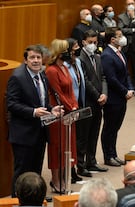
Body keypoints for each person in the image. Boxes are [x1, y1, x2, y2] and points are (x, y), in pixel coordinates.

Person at [7, 45, 63, 196]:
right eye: (32, 57)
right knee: (22, 172)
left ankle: (35, 198)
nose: (36, 60)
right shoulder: (17, 77)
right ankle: (17, 201)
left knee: (36, 169)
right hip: (23, 134)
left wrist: (51, 110)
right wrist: (33, 112)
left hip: (40, 132)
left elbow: (42, 102)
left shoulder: (42, 75)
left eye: (38, 57)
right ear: (25, 60)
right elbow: (11, 104)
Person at [46, 39, 79, 193]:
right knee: (57, 148)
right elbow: (58, 93)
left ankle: (65, 178)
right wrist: (69, 107)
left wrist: (75, 106)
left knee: (68, 147)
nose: (69, 52)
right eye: (65, 50)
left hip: (69, 115)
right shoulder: (51, 70)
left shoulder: (65, 67)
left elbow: (71, 90)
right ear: (59, 52)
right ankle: (55, 180)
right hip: (58, 115)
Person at [101, 27, 135, 167]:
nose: (122, 38)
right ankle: (108, 156)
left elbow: (126, 74)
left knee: (116, 127)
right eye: (119, 36)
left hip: (122, 97)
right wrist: (124, 91)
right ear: (112, 39)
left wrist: (131, 88)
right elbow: (111, 78)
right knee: (109, 128)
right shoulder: (107, 55)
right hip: (113, 98)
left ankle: (113, 154)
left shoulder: (120, 53)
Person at [77, 30, 108, 176]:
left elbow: (102, 77)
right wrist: (97, 95)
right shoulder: (79, 58)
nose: (93, 45)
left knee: (94, 133)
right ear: (83, 42)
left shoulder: (97, 57)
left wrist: (104, 94)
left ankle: (92, 161)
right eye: (90, 42)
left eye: (95, 42)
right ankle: (81, 164)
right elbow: (85, 81)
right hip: (87, 101)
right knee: (83, 135)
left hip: (99, 101)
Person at [64, 38, 86, 184]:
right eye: (76, 46)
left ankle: (76, 167)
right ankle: (70, 171)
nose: (78, 48)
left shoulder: (77, 62)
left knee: (78, 138)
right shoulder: (64, 66)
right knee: (69, 141)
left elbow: (81, 83)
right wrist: (72, 105)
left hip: (80, 104)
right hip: (69, 107)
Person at [118, 0, 135, 97]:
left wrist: (133, 18)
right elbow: (121, 29)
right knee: (123, 67)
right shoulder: (121, 16)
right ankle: (124, 86)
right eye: (128, 4)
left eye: (132, 4)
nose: (130, 6)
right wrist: (133, 30)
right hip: (125, 46)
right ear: (125, 6)